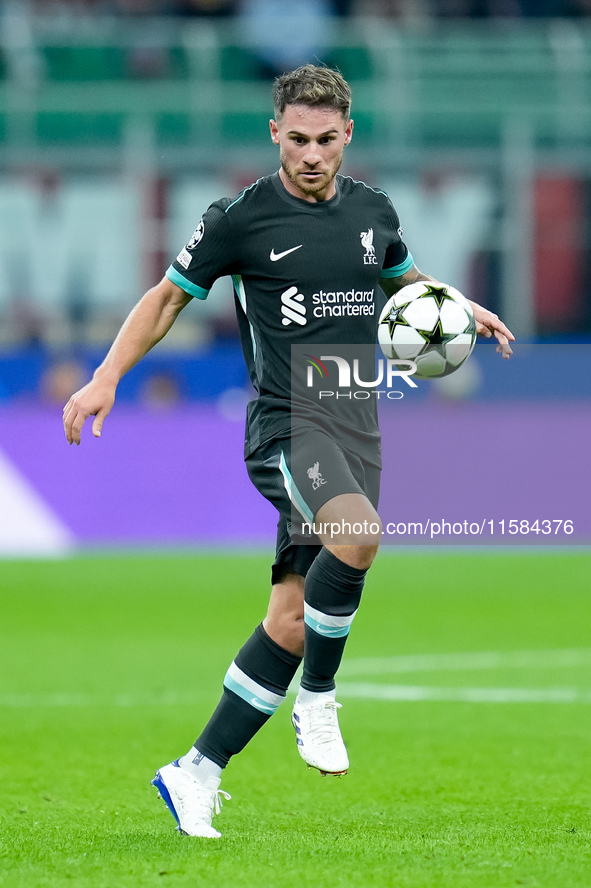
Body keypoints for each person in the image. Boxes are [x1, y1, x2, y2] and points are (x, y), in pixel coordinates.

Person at [63, 64, 514, 838]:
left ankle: (195, 771)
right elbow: (168, 295)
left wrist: (459, 309)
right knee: (358, 534)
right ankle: (319, 699)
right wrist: (106, 376)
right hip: (287, 423)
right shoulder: (239, 219)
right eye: (297, 139)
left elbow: (405, 284)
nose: (311, 154)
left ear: (348, 135)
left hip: (355, 422)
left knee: (290, 620)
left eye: (326, 140)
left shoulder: (373, 211)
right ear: (275, 133)